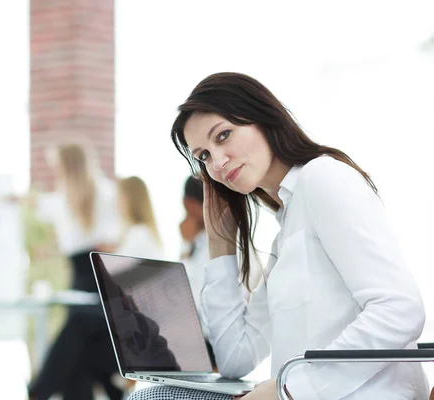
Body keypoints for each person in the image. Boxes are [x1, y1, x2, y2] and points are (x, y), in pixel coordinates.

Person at [129, 72, 428, 400]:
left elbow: (400, 308)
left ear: (261, 116)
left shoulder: (324, 178)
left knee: (151, 398)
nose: (217, 162)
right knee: (155, 394)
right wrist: (222, 248)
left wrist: (289, 389)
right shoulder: (287, 227)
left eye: (223, 135)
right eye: (203, 156)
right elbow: (234, 358)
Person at [25, 142, 124, 400]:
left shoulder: (104, 193)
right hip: (78, 276)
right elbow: (40, 207)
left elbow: (113, 241)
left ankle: (38, 392)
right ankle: (42, 393)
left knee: (77, 332)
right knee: (78, 352)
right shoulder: (62, 198)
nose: (55, 173)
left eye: (58, 167)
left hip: (100, 275)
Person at [112, 176, 164, 259]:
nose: (116, 203)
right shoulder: (144, 231)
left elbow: (117, 268)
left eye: (120, 197)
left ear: (129, 200)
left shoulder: (138, 233)